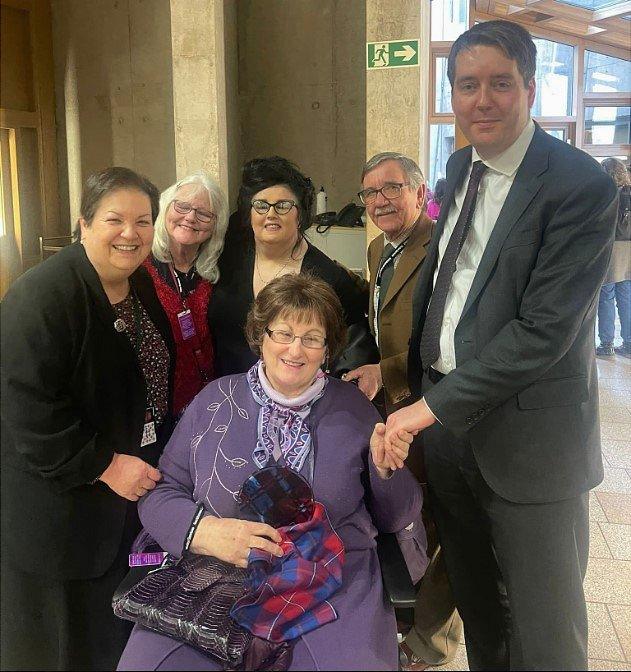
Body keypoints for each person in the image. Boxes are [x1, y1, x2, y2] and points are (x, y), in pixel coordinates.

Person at [384, 20, 618, 671]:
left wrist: (427, 408)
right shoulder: (458, 166)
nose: (480, 99)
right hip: (452, 435)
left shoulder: (578, 186)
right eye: (466, 85)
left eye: (498, 83)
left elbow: (543, 330)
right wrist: (410, 385)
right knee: (481, 608)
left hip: (530, 444)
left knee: (545, 628)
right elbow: (452, 291)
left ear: (530, 88)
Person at [118, 273, 427, 671]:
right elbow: (162, 490)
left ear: (327, 348)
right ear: (260, 336)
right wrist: (204, 533)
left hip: (334, 577)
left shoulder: (354, 410)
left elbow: (398, 516)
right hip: (215, 574)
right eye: (282, 333)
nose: (295, 350)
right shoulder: (214, 400)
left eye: (312, 338)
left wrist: (388, 471)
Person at [1, 167, 176, 670]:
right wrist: (105, 464)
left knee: (108, 630)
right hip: (62, 502)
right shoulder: (43, 298)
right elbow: (28, 412)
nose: (131, 233)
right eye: (115, 219)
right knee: (62, 639)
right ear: (83, 224)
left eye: (143, 220)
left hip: (122, 491)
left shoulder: (135, 282)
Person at [345, 152, 462, 670]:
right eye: (370, 192)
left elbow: (449, 340)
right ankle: (408, 616)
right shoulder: (378, 248)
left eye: (391, 188)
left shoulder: (443, 245)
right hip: (396, 411)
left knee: (450, 523)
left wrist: (384, 371)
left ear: (419, 192)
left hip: (439, 406)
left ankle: (432, 643)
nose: (380, 201)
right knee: (415, 517)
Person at [209, 155, 376, 378]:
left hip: (298, 402)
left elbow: (352, 349)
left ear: (300, 215)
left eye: (283, 206)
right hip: (228, 392)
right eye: (261, 205)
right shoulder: (226, 258)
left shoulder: (328, 277)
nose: (271, 214)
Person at [145, 171, 229, 415]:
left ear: (216, 224)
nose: (190, 218)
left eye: (203, 213)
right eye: (182, 206)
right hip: (156, 407)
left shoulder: (219, 269)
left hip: (209, 403)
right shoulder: (140, 266)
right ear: (165, 208)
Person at [596, 157, 630, 358]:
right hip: (629, 251)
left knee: (606, 296)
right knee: (626, 296)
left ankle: (606, 344)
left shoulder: (607, 194)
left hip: (611, 248)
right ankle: (629, 343)